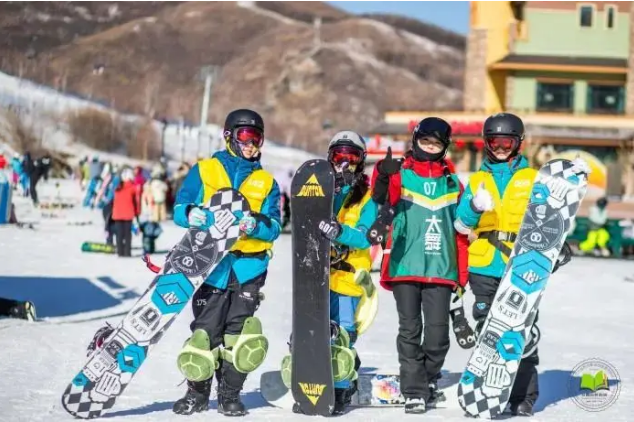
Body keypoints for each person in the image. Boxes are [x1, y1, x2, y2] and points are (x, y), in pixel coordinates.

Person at [453, 112, 583, 416]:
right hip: (484, 265)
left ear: (518, 143)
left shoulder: (535, 178)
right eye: (494, 142)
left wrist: (570, 180)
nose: (500, 148)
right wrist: (474, 207)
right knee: (488, 332)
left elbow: (554, 214)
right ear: (486, 143)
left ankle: (523, 396)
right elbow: (460, 225)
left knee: (520, 330)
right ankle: (485, 392)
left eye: (507, 142)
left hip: (524, 265)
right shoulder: (477, 180)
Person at [172, 109, 281, 416]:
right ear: (229, 136)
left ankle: (229, 394)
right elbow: (180, 207)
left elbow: (274, 226)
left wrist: (255, 225)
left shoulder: (266, 182)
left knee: (238, 334)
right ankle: (197, 394)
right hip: (209, 265)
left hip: (249, 267)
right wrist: (190, 214)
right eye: (245, 136)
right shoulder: (205, 170)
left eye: (257, 139)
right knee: (205, 331)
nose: (251, 145)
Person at [370, 117, 469, 414]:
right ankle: (414, 391)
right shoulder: (401, 174)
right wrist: (383, 173)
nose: (430, 147)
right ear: (415, 140)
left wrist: (462, 275)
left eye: (436, 143)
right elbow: (380, 196)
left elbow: (461, 233)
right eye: (425, 141)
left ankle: (426, 379)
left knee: (438, 338)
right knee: (410, 330)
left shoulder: (453, 183)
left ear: (444, 146)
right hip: (405, 264)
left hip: (442, 268)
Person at [281, 131, 379, 415]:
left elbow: (366, 236)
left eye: (352, 157)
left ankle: (342, 385)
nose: (344, 163)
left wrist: (340, 231)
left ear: (361, 161)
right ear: (330, 158)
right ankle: (309, 380)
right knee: (314, 330)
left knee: (343, 333)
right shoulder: (323, 191)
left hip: (348, 278)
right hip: (317, 276)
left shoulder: (367, 197)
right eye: (339, 156)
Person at [111, 167, 139, 257]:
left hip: (117, 214)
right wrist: (137, 213)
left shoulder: (117, 188)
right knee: (127, 235)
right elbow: (136, 202)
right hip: (128, 214)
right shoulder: (133, 188)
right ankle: (127, 252)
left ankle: (120, 252)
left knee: (119, 234)